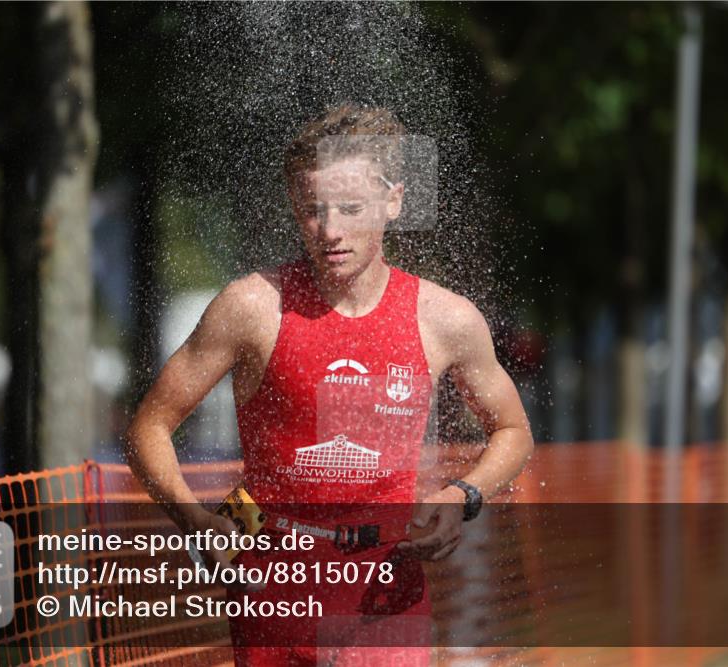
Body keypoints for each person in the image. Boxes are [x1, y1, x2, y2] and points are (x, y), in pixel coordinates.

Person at [126, 104, 534, 666]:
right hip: (273, 583)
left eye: (350, 208)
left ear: (394, 201)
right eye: (313, 210)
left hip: (387, 588)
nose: (331, 231)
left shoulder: (445, 319)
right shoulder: (251, 307)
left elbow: (512, 430)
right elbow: (149, 426)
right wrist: (193, 519)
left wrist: (462, 494)